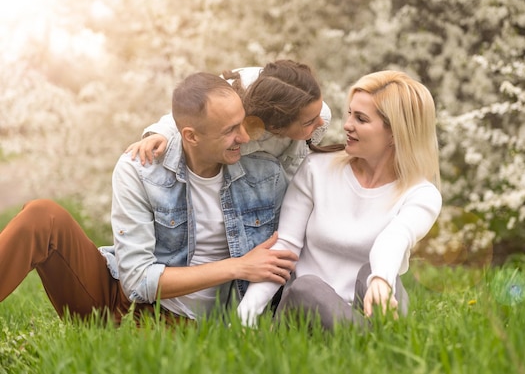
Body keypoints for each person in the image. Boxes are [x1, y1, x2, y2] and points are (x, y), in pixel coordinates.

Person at [0, 72, 298, 323]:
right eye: (231, 130)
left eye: (243, 123)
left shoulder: (265, 176)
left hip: (183, 322)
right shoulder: (140, 169)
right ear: (191, 136)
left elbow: (309, 109)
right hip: (117, 297)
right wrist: (238, 267)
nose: (245, 137)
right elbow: (137, 282)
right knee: (43, 216)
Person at [237, 70, 442, 330]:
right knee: (307, 287)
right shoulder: (317, 168)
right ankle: (379, 346)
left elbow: (396, 237)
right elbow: (284, 249)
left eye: (361, 119)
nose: (347, 125)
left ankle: (367, 338)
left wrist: (381, 279)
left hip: (370, 303)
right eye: (349, 114)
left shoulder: (422, 194)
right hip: (306, 312)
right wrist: (244, 318)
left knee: (371, 272)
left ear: (395, 133)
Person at [127, 60, 332, 180]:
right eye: (308, 122)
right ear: (276, 126)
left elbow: (293, 170)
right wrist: (159, 133)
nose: (320, 124)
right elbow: (195, 109)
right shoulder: (234, 91)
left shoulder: (320, 116)